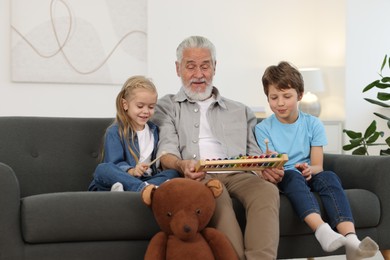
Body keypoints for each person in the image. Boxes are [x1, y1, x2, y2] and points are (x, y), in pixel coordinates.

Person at [152, 35, 284, 260]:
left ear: (215, 66)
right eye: (190, 66)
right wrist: (182, 165)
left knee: (267, 191)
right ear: (178, 68)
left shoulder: (240, 110)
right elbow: (166, 151)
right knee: (218, 198)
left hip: (239, 174)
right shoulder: (167, 105)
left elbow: (254, 154)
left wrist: (265, 166)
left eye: (205, 66)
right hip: (200, 177)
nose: (199, 74)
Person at [255, 61, 379, 260]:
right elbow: (270, 166)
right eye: (273, 97)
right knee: (292, 176)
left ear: (300, 95)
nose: (280, 103)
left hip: (308, 173)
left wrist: (309, 169)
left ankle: (352, 240)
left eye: (287, 96)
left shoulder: (313, 124)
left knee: (329, 176)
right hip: (284, 177)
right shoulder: (262, 129)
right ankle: (322, 230)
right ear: (267, 97)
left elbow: (318, 165)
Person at [88, 75, 180, 192]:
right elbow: (115, 163)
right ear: (125, 104)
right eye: (140, 106)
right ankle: (142, 189)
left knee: (173, 173)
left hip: (147, 178)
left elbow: (155, 166)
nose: (146, 111)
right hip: (123, 177)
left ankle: (139, 188)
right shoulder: (115, 132)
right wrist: (132, 171)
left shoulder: (154, 130)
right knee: (103, 169)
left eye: (151, 107)